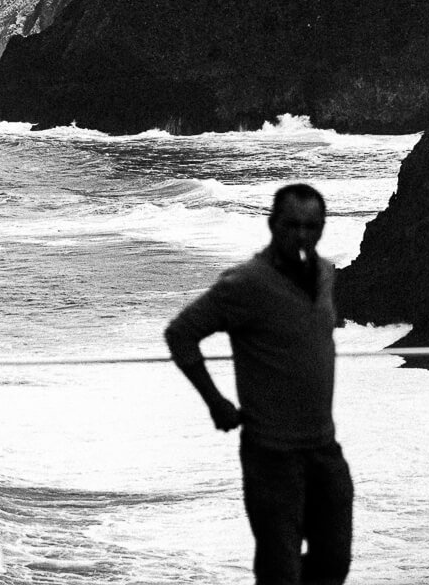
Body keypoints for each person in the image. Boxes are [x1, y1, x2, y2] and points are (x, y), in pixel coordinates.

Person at [164, 183, 353, 585]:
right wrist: (216, 402)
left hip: (324, 448)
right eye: (291, 225)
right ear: (272, 224)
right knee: (279, 572)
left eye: (311, 226)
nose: (301, 234)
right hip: (271, 456)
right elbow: (181, 333)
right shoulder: (246, 283)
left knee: (334, 562)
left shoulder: (324, 273)